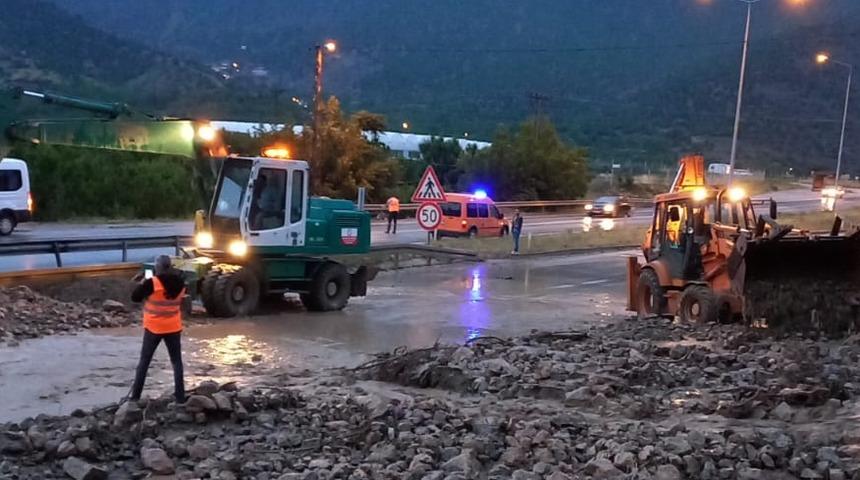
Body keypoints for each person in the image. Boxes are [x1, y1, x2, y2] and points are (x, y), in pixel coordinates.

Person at [129, 255, 186, 403]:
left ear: (158, 267)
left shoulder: (151, 283)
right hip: (173, 327)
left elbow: (134, 297)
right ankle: (180, 397)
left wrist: (142, 283)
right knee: (176, 362)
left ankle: (135, 397)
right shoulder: (180, 282)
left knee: (144, 362)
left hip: (154, 328)